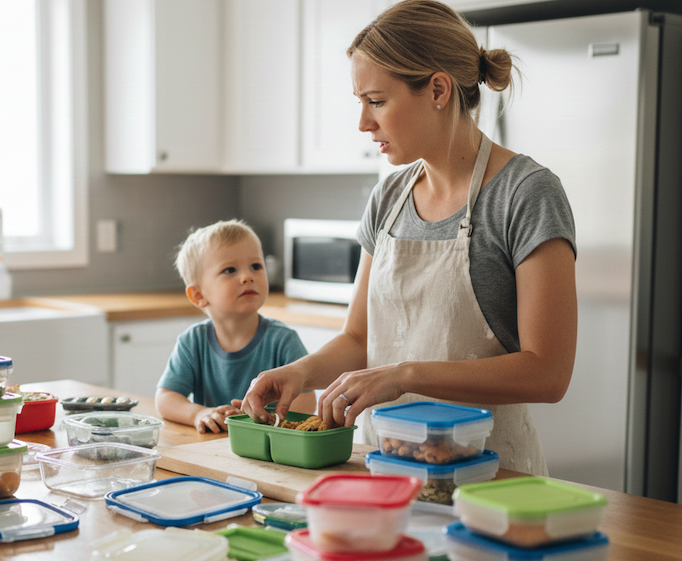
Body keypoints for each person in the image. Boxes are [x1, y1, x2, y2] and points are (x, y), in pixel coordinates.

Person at [241, 0, 577, 475]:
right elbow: (359, 338)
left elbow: (548, 372)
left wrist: (405, 376)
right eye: (359, 102)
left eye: (376, 101)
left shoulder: (525, 194)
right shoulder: (390, 196)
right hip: (383, 467)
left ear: (438, 89)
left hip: (490, 479)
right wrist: (301, 371)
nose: (363, 122)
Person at [156, 219, 317, 434]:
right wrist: (199, 413)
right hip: (212, 447)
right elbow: (166, 398)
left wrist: (262, 418)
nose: (247, 277)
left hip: (268, 449)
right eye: (230, 270)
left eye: (256, 266)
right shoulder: (193, 341)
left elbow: (307, 398)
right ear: (199, 295)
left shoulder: (283, 340)